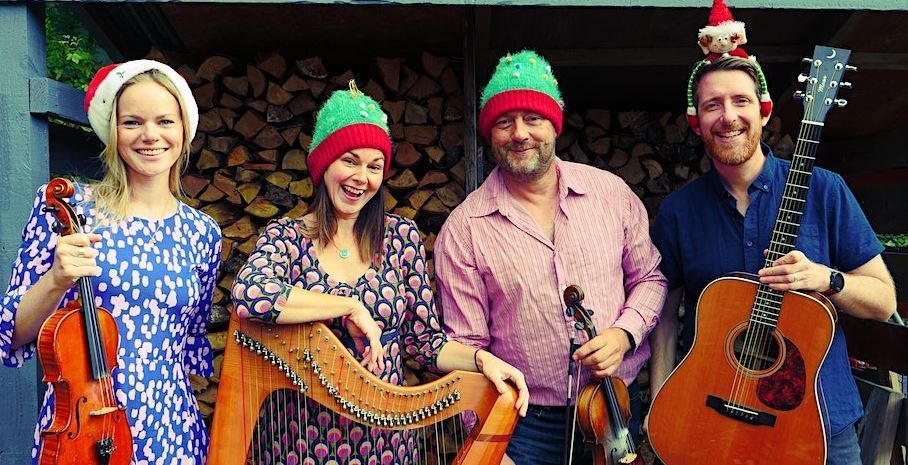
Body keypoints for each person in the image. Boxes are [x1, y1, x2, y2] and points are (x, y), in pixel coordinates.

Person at [231, 81, 529, 464]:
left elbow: (427, 344)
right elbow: (249, 296)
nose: (362, 178)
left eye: (374, 167)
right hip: (299, 443)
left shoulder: (401, 238)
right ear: (324, 165)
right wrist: (347, 307)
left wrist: (481, 360)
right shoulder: (288, 238)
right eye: (349, 161)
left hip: (386, 445)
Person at [648, 46, 897, 465]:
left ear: (764, 112)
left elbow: (884, 300)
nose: (728, 116)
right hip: (708, 415)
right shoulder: (679, 212)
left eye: (741, 100)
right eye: (713, 105)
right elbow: (665, 323)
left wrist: (827, 279)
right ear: (697, 123)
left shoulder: (825, 190)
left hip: (818, 422)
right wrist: (662, 412)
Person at [434, 50, 668, 465]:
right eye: (504, 122)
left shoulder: (610, 194)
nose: (520, 134)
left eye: (533, 119)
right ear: (490, 133)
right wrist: (487, 442)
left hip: (611, 406)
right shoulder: (464, 229)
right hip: (522, 421)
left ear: (553, 125)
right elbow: (466, 348)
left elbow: (650, 278)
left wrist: (624, 335)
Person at [0, 59, 222, 463]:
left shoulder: (203, 233)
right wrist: (55, 279)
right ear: (112, 132)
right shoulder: (68, 209)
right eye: (132, 122)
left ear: (184, 130)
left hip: (171, 429)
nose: (150, 135)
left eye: (165, 122)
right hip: (80, 431)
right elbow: (12, 335)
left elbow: (188, 345)